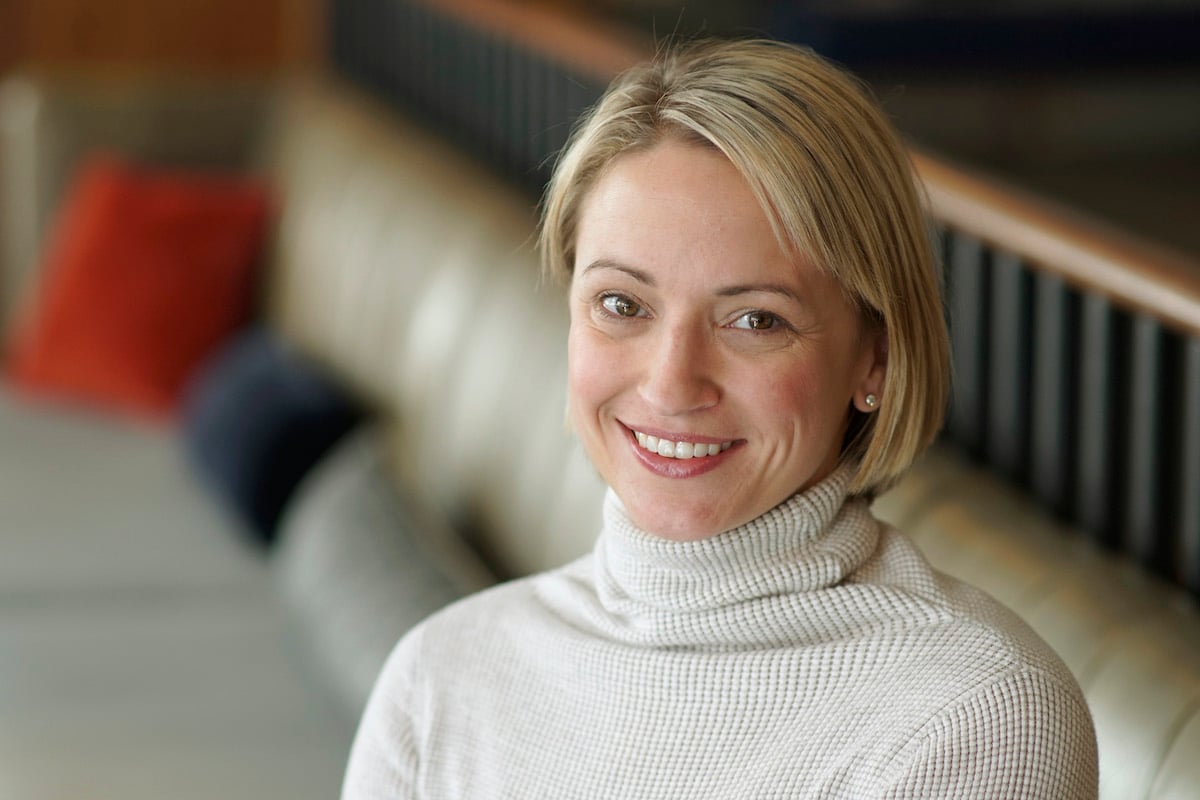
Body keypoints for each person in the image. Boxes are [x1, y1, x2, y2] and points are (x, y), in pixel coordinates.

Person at [343, 38, 1098, 798]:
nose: (673, 383)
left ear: (876, 357)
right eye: (621, 305)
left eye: (756, 321)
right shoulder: (438, 678)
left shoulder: (976, 712)